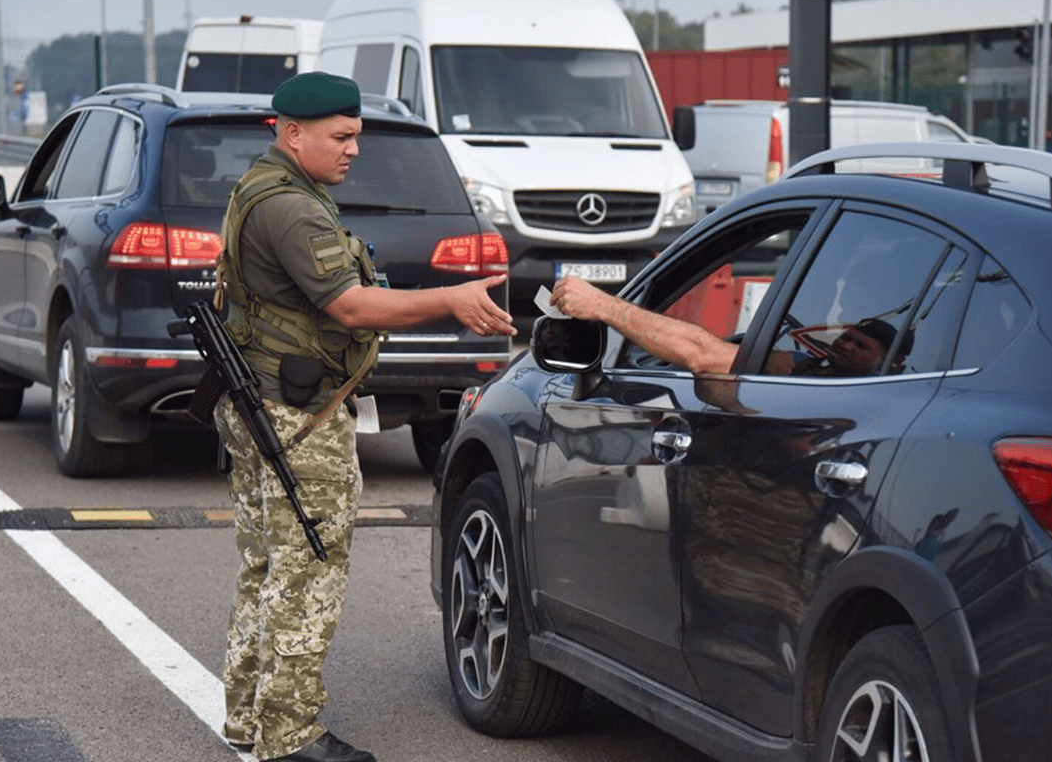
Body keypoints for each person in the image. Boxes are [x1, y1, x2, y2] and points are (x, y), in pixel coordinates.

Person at [213, 71, 514, 762]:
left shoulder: (263, 187)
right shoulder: (292, 208)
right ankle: (289, 736)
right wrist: (449, 300)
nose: (354, 150)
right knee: (307, 567)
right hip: (297, 418)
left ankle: (248, 719)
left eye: (356, 136)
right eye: (341, 137)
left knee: (266, 567)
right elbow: (349, 307)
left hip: (263, 402)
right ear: (293, 134)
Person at [548, 276, 908, 377]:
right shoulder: (802, 366)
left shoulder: (877, 393)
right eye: (847, 337)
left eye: (861, 347)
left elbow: (703, 355)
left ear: (893, 364)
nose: (846, 346)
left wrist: (603, 306)